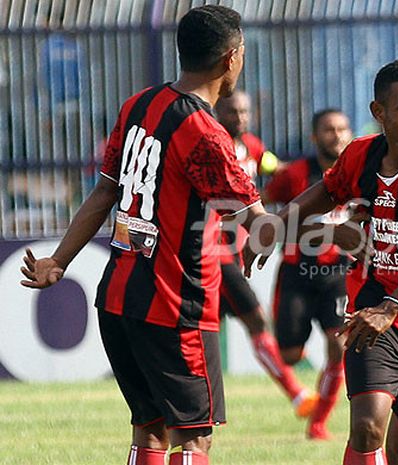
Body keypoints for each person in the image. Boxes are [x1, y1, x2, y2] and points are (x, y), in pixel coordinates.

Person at [19, 6, 277, 465]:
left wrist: (59, 260)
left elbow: (105, 190)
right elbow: (257, 220)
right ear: (232, 58)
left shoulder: (139, 105)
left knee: (150, 431)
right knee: (194, 439)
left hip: (118, 299)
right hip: (175, 307)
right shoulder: (206, 133)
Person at [244, 60, 398, 465]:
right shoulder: (360, 155)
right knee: (368, 426)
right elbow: (325, 192)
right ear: (379, 113)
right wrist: (270, 229)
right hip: (371, 308)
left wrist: (393, 308)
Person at [214, 93, 318, 421]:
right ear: (219, 111)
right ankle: (297, 394)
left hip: (231, 253)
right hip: (214, 253)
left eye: (244, 111)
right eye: (233, 111)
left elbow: (274, 167)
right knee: (256, 320)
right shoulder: (212, 145)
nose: (240, 116)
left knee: (213, 328)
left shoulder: (252, 147)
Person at [263, 108, 353, 439]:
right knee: (289, 354)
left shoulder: (358, 171)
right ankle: (307, 379)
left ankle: (319, 423)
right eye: (329, 130)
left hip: (338, 274)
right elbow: (262, 200)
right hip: (296, 274)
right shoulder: (295, 174)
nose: (337, 135)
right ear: (315, 137)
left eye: (343, 128)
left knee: (338, 344)